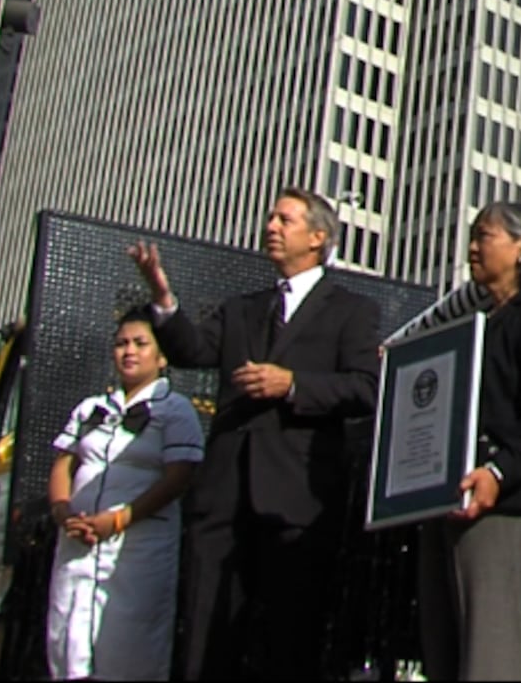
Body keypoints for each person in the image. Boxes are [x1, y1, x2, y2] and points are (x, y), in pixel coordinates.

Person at [128, 188, 381, 680]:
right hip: (224, 497)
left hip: (296, 496)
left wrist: (293, 385)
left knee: (289, 638)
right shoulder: (242, 308)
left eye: (284, 219)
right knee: (205, 632)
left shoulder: (352, 310)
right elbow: (192, 350)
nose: (271, 226)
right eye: (270, 218)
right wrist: (162, 299)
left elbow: (365, 388)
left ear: (317, 237)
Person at [417, 201, 521, 681]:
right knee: (443, 647)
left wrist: (498, 472)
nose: (471, 247)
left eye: (483, 235)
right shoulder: (479, 325)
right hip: (448, 497)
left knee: (489, 647)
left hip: (503, 504)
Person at [46, 306, 204, 681]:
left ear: (162, 356)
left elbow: (179, 476)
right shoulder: (90, 409)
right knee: (66, 638)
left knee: (127, 645)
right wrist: (65, 515)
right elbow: (61, 467)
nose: (129, 351)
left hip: (138, 546)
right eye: (121, 344)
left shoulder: (176, 410)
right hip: (77, 544)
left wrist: (118, 519)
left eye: (140, 343)